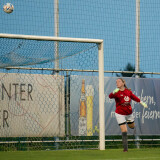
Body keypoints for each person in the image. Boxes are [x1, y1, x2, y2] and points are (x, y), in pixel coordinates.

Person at [109, 78, 148, 152]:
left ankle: (130, 124)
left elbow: (134, 97)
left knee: (131, 126)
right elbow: (110, 96)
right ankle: (125, 149)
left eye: (119, 81)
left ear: (123, 83)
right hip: (119, 113)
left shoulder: (128, 92)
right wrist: (114, 91)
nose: (117, 83)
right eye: (116, 82)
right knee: (124, 130)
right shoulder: (116, 92)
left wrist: (142, 103)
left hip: (129, 114)